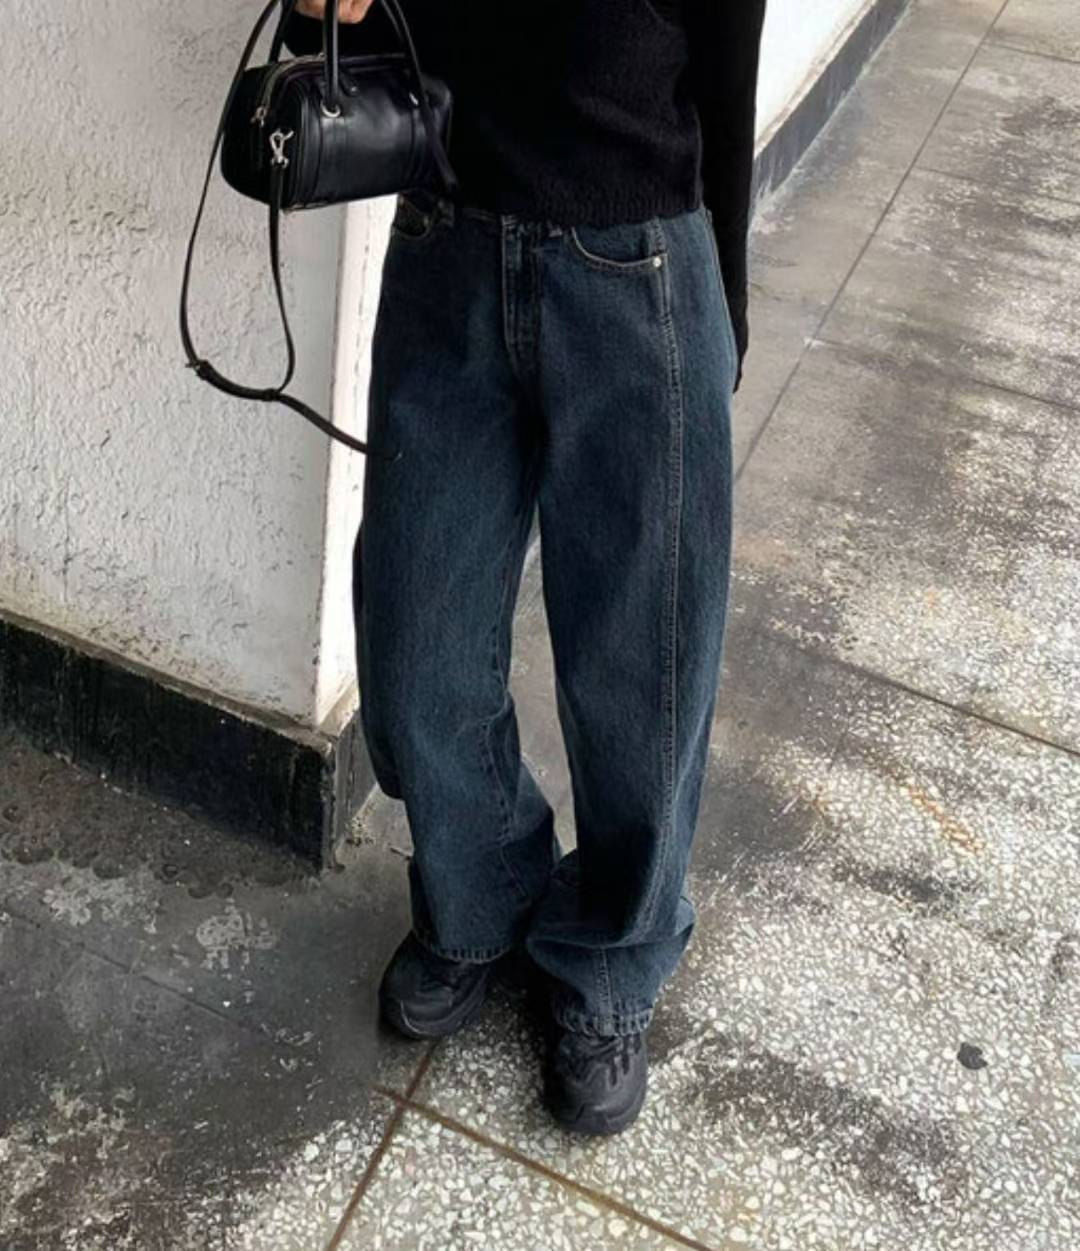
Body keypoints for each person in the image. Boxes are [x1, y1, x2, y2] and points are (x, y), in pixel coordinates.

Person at [283, 0, 767, 1135]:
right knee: (414, 642)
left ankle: (610, 959)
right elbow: (348, 32)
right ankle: (483, 892)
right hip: (446, 242)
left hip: (639, 258)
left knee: (643, 669)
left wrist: (721, 300)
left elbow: (730, 61)